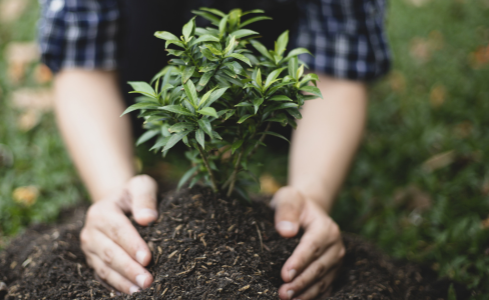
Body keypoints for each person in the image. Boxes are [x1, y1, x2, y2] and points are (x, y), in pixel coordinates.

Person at [38, 0, 390, 299]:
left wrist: (313, 192)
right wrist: (114, 191)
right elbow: (80, 56)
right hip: (146, 84)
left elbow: (339, 64)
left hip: (270, 100)